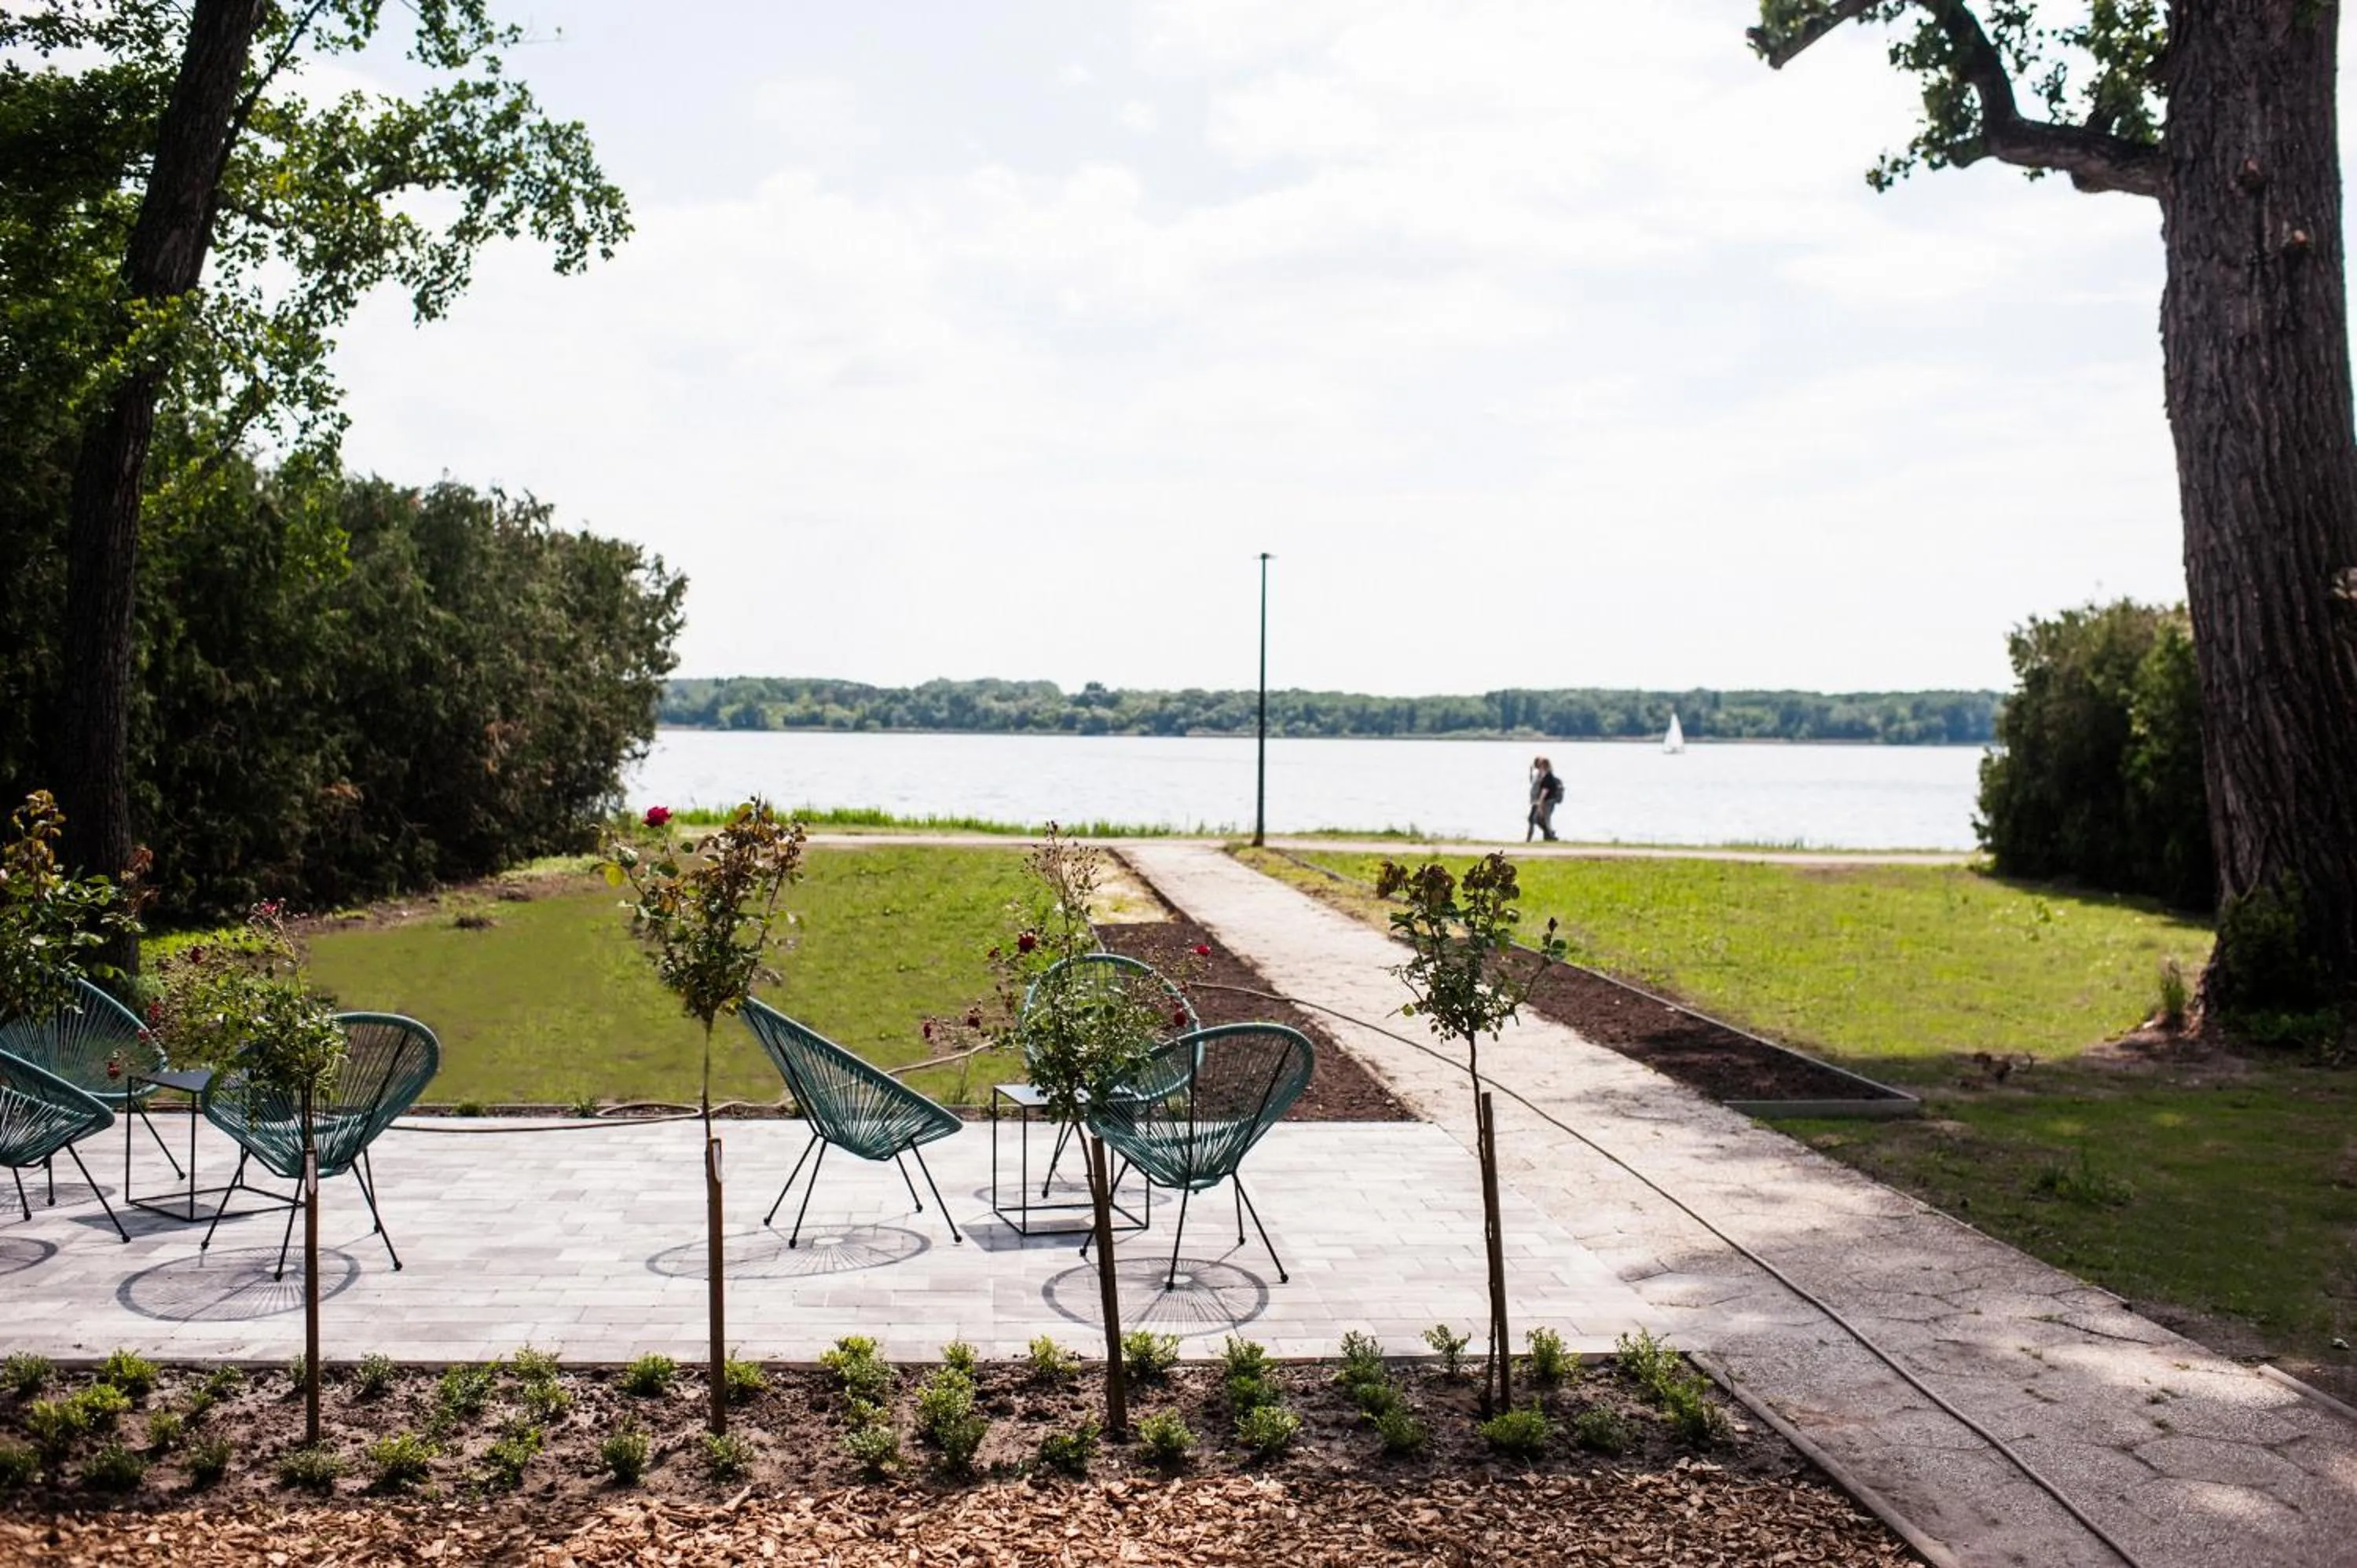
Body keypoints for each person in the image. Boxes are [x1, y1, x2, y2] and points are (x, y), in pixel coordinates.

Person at [1527, 756, 1563, 841]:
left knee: (1535, 819)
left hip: (1541, 801)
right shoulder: (1539, 774)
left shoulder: (1546, 775)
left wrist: (1540, 803)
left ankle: (1549, 835)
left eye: (1538, 763)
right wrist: (1531, 772)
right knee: (1538, 819)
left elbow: (1544, 789)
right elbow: (1533, 783)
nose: (1537, 764)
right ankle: (1549, 835)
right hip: (1537, 801)